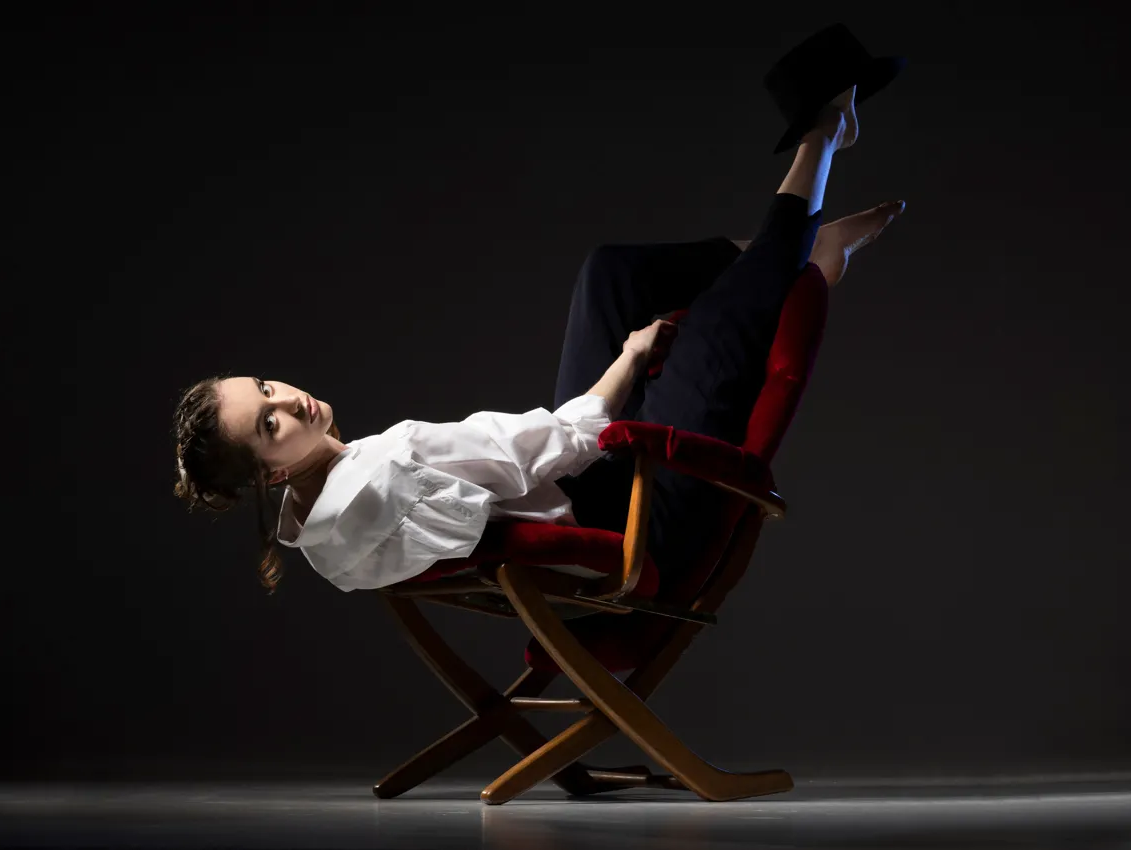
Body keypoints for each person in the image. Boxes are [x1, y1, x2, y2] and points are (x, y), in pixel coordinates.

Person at [174, 35, 907, 596]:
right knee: (704, 322)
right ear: (271, 478)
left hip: (583, 484)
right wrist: (628, 358)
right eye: (269, 424)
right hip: (640, 511)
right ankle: (823, 138)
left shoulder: (325, 532)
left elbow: (530, 459)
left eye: (267, 388)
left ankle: (800, 246)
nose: (288, 401)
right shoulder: (379, 474)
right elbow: (551, 444)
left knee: (610, 274)